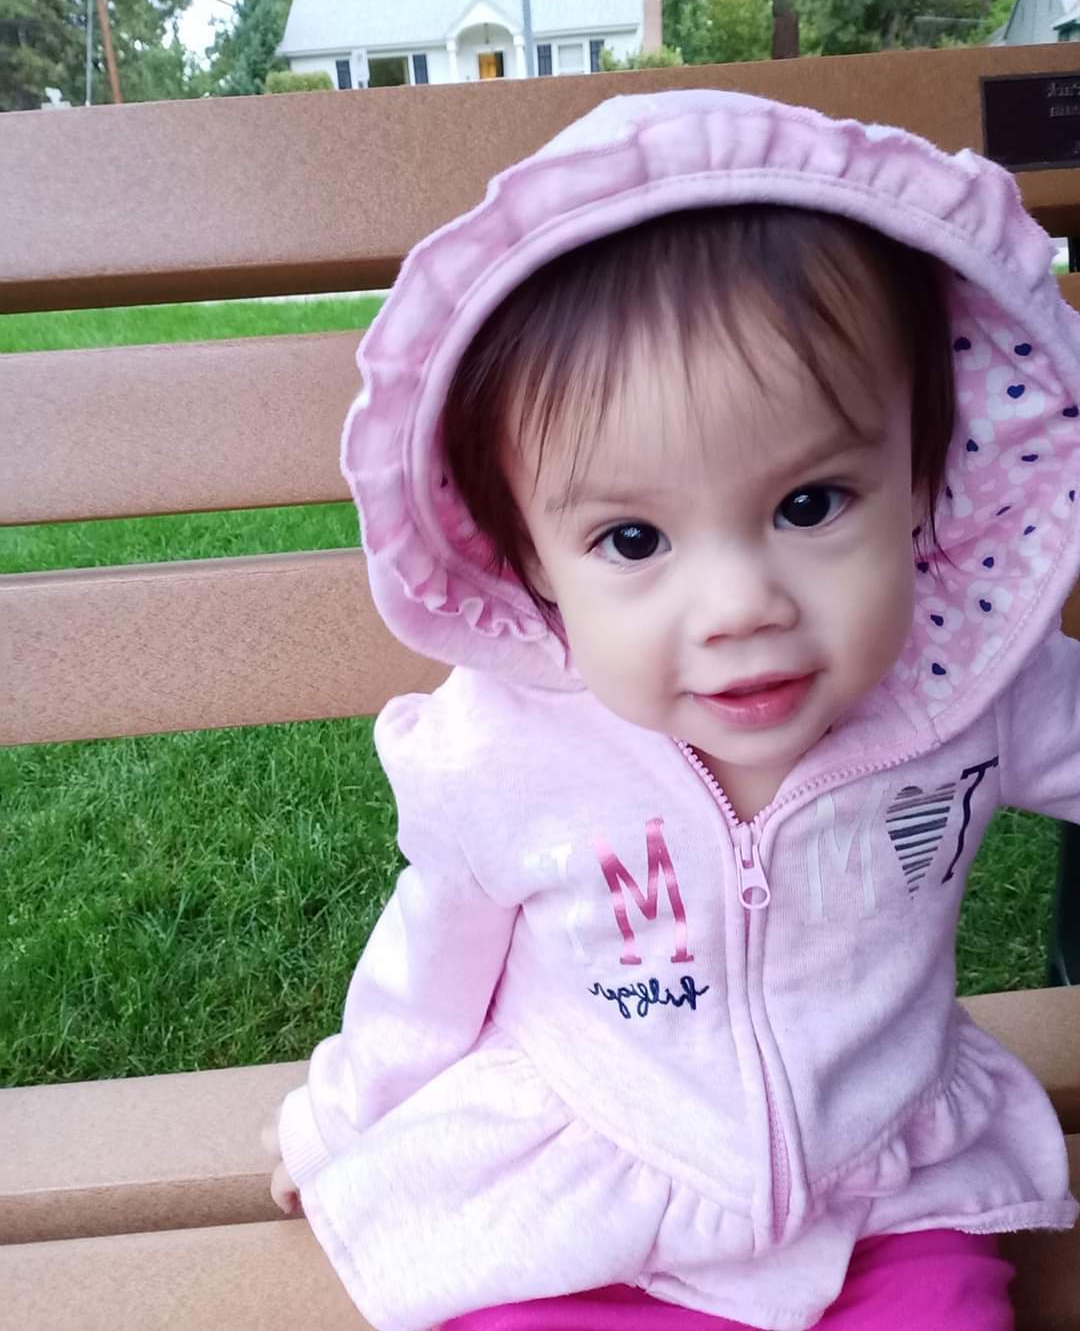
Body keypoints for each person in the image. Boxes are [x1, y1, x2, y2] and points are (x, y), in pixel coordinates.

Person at [266, 90, 1080, 1331]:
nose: (740, 605)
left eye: (810, 505)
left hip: (883, 1180)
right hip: (593, 1179)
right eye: (634, 539)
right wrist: (337, 1119)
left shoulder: (975, 689)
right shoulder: (503, 749)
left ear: (922, 476)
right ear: (529, 559)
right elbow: (429, 966)